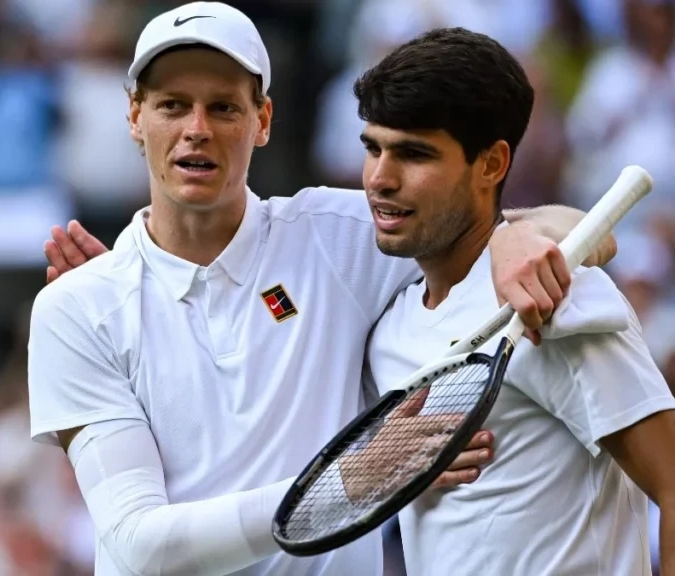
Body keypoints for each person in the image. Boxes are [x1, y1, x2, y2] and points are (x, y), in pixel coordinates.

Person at [30, 3, 614, 576]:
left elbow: (593, 235)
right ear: (135, 116)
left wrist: (512, 236)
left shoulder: (337, 238)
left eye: (224, 108)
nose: (197, 130)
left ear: (262, 120)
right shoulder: (78, 307)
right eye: (173, 106)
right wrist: (348, 480)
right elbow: (141, 545)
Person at [354, 28, 675, 575]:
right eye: (373, 148)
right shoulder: (389, 328)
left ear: (491, 164)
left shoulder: (557, 300)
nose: (381, 178)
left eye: (414, 154)